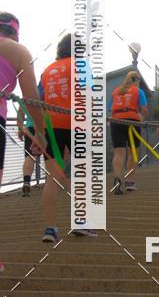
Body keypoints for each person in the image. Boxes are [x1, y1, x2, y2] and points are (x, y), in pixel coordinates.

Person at [40, 34, 95, 242]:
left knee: (51, 178)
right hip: (77, 123)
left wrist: (38, 129)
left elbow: (40, 98)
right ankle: (81, 223)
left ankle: (50, 229)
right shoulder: (81, 65)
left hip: (50, 125)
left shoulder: (47, 70)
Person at [0, 13, 45, 190]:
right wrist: (40, 134)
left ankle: (26, 181)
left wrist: (20, 125)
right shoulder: (18, 50)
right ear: (15, 33)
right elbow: (31, 97)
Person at [109, 70, 148, 194]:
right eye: (139, 80)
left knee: (118, 153)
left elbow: (111, 109)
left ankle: (117, 179)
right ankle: (130, 181)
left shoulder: (116, 91)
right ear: (136, 81)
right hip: (132, 121)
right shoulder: (139, 91)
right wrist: (142, 119)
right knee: (133, 152)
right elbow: (144, 110)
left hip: (116, 122)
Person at [16, 105, 36, 196]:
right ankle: (52, 184)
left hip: (31, 127)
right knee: (51, 159)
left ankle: (27, 181)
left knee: (30, 157)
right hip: (50, 126)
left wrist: (20, 128)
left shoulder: (28, 92)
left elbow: (21, 111)